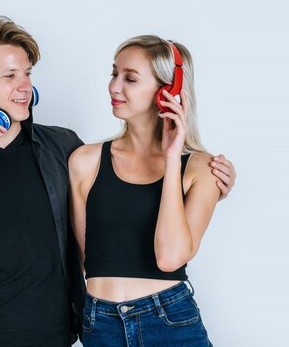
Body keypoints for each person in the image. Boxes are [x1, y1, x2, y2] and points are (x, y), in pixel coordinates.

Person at [0, 17, 236, 347]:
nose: (26, 87)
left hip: (63, 337)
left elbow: (120, 210)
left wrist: (203, 190)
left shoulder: (62, 148)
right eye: (10, 76)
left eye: (27, 73)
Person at [69, 35, 232, 346]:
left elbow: (170, 259)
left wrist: (172, 159)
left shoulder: (202, 170)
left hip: (170, 322)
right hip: (98, 325)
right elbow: (82, 260)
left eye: (130, 78)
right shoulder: (85, 161)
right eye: (114, 73)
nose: (114, 87)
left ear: (167, 92)